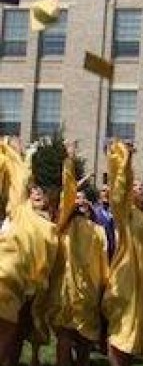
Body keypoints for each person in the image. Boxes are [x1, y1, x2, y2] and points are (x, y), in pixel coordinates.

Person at [0, 138, 59, 365]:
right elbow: (21, 179)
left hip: (29, 286)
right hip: (5, 277)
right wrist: (22, 155)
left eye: (41, 191)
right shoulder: (19, 208)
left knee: (14, 335)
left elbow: (49, 260)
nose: (36, 193)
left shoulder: (52, 228)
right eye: (33, 190)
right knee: (5, 332)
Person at [49, 150, 109, 366]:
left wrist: (104, 287)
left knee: (85, 340)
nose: (80, 202)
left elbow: (104, 264)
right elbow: (67, 194)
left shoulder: (98, 231)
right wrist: (69, 162)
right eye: (77, 200)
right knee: (65, 336)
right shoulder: (64, 226)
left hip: (89, 293)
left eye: (84, 200)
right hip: (66, 290)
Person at [102, 140, 143, 366]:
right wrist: (125, 160)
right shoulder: (125, 212)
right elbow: (119, 190)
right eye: (135, 186)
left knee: (134, 327)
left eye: (142, 186)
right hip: (126, 275)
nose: (139, 188)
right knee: (121, 327)